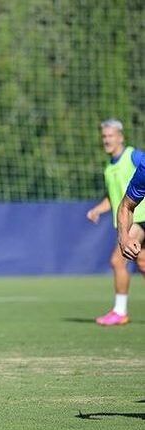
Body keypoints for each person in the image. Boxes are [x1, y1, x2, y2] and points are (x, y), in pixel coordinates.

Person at [87, 119, 145, 326]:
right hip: (127, 218)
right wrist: (97, 210)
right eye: (104, 136)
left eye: (111, 135)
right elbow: (114, 198)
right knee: (143, 263)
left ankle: (120, 312)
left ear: (120, 137)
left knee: (117, 260)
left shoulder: (134, 156)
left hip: (139, 217)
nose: (107, 140)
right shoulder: (109, 167)